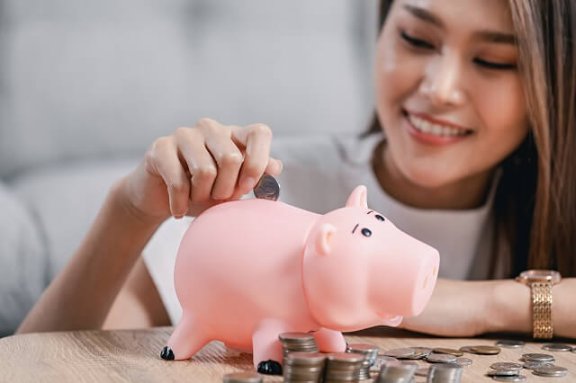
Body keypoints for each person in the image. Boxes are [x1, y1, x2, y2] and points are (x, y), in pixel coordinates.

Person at [18, 0, 576, 342]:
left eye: (493, 61)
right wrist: (128, 210)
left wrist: (490, 304)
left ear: (552, 85)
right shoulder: (269, 194)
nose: (439, 89)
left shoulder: (550, 201)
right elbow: (39, 361)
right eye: (415, 39)